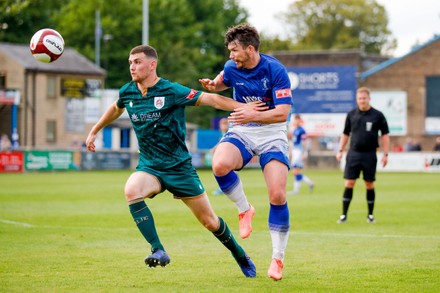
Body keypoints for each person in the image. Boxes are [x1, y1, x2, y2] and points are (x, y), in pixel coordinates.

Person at [85, 45, 260, 278]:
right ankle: (158, 249)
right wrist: (95, 130)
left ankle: (240, 255)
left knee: (210, 222)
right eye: (130, 62)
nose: (132, 67)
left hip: (179, 168)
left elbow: (211, 99)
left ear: (152, 65)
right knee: (132, 190)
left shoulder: (171, 90)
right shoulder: (128, 91)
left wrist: (245, 108)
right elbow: (116, 108)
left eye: (137, 62)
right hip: (150, 166)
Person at [199, 23, 293, 281]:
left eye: (234, 50)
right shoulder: (231, 67)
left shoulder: (276, 70)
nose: (230, 56)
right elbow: (221, 82)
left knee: (277, 194)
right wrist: (212, 85)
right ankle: (244, 209)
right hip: (243, 130)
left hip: (272, 133)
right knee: (219, 165)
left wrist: (253, 113)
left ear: (250, 49)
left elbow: (283, 113)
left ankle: (277, 258)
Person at [336, 87, 390, 224]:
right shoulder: (351, 115)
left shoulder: (378, 115)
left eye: (364, 98)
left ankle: (370, 215)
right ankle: (343, 215)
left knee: (369, 184)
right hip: (353, 153)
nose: (362, 101)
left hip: (370, 154)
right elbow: (345, 133)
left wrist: (386, 154)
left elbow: (385, 135)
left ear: (369, 99)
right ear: (357, 99)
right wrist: (340, 150)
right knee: (349, 182)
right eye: (359, 98)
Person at [287, 114, 314, 195]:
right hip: (295, 151)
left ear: (299, 121)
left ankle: (297, 189)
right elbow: (293, 142)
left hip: (299, 152)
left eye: (297, 120)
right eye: (295, 120)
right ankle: (309, 183)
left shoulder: (302, 130)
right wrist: (291, 152)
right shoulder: (295, 130)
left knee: (295, 171)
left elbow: (304, 142)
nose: (295, 121)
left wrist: (304, 153)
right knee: (295, 171)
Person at [211, 117, 230, 195]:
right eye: (221, 125)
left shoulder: (228, 133)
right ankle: (225, 188)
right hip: (226, 155)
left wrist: (214, 149)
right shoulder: (223, 134)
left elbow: (223, 141)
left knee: (225, 171)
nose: (222, 126)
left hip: (229, 155)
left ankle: (223, 188)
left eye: (223, 124)